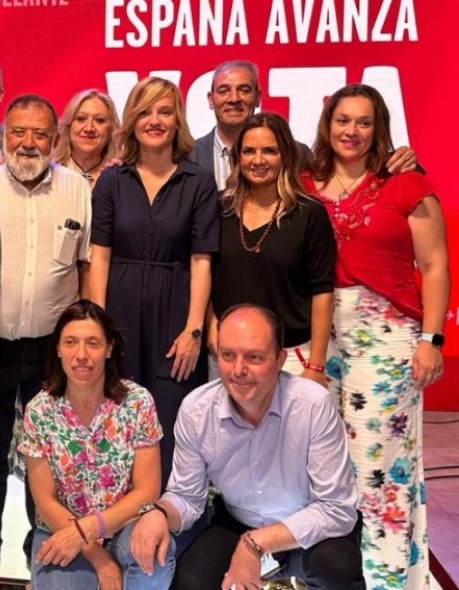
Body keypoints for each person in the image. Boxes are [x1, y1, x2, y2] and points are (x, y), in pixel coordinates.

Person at [303, 83, 450, 590]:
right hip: (317, 336)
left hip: (387, 340)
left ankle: (387, 579)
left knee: (377, 469)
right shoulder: (304, 181)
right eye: (343, 120)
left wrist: (432, 339)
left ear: (378, 128)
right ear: (327, 124)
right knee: (317, 464)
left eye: (363, 122)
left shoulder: (407, 183)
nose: (352, 131)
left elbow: (433, 266)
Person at [0, 94, 92, 588]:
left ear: (55, 139)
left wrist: (88, 336)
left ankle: (44, 547)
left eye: (39, 134)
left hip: (53, 347)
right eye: (18, 132)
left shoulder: (78, 189)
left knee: (48, 454)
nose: (28, 143)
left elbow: (87, 265)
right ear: (3, 135)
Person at [131, 304, 364, 590]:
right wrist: (159, 512)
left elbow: (336, 509)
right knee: (190, 580)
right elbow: (187, 496)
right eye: (228, 355)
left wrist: (256, 544)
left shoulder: (312, 405)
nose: (239, 370)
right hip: (240, 521)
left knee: (337, 568)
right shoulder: (196, 410)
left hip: (310, 529)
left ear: (280, 359)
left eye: (254, 357)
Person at [88, 76, 219, 497]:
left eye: (164, 111)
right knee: (115, 423)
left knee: (170, 428)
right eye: (145, 111)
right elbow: (100, 257)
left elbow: (201, 260)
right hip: (119, 315)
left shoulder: (197, 181)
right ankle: (115, 526)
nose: (155, 120)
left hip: (174, 317)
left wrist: (193, 330)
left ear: (177, 119)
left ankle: (165, 530)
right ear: (132, 120)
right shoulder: (112, 181)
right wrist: (96, 330)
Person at [18, 300, 175, 590]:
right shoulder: (38, 411)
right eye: (70, 342)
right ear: (57, 349)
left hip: (124, 525)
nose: (81, 355)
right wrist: (94, 552)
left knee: (151, 553)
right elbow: (45, 501)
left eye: (92, 343)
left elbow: (147, 491)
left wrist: (89, 528)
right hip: (61, 527)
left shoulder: (138, 402)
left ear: (109, 349)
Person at [209, 112, 335, 386]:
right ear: (237, 157)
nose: (258, 160)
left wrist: (316, 364)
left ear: (286, 156)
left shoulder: (309, 213)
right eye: (248, 151)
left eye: (269, 151)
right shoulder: (219, 208)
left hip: (292, 356)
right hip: (230, 356)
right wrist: (210, 326)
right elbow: (204, 273)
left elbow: (323, 292)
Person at [190, 60, 417, 189]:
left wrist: (401, 161)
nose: (234, 98)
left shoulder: (298, 153)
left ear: (258, 97)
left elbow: (349, 178)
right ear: (211, 100)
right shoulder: (186, 156)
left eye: (244, 89)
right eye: (223, 91)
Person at [53, 89, 121, 185]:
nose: (89, 128)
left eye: (99, 120)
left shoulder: (122, 175)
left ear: (111, 129)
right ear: (68, 126)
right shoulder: (48, 172)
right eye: (81, 119)